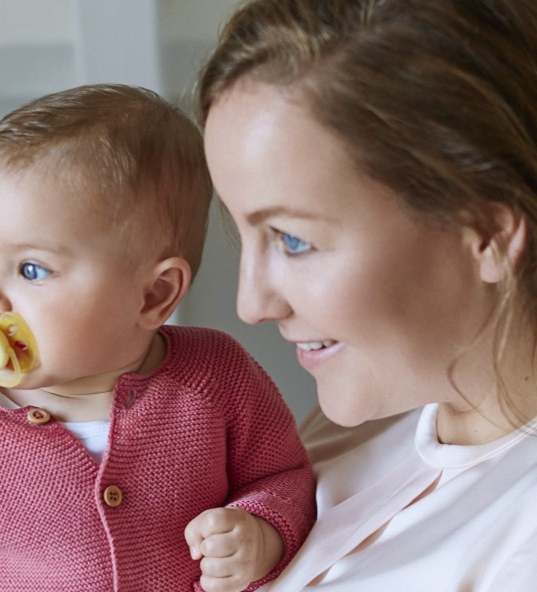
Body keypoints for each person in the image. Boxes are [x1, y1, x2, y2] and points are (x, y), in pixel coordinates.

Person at [0, 84, 315, 592]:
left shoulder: (216, 378)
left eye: (31, 269)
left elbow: (286, 478)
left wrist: (263, 532)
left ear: (153, 295)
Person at [195, 0, 537, 589]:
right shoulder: (352, 429)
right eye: (243, 231)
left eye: (294, 240)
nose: (252, 305)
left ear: (486, 234)